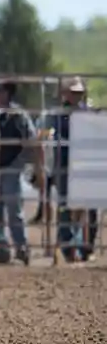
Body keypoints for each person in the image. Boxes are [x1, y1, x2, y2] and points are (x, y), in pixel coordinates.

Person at [0, 80, 44, 265]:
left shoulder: (18, 115)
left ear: (7, 93)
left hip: (11, 166)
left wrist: (37, 165)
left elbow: (31, 140)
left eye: (0, 91)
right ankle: (1, 245)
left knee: (13, 206)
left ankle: (21, 246)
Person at [48, 77, 98, 263]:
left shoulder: (90, 113)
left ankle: (86, 246)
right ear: (65, 94)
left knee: (89, 208)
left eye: (79, 93)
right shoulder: (58, 114)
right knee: (64, 207)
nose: (76, 96)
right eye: (73, 92)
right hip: (64, 165)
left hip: (85, 165)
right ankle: (68, 246)